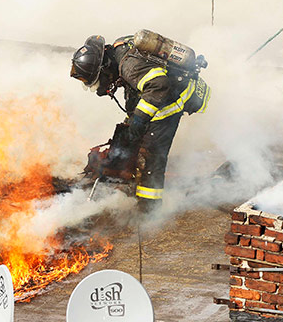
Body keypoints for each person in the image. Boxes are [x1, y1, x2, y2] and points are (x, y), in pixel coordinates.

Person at [70, 34, 210, 214]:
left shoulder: (128, 65)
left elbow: (158, 85)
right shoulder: (119, 53)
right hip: (165, 95)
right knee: (135, 139)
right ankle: (133, 188)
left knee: (151, 155)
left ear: (103, 69)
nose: (100, 87)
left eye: (98, 80)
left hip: (171, 102)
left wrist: (139, 119)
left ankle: (149, 209)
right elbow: (137, 88)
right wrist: (132, 120)